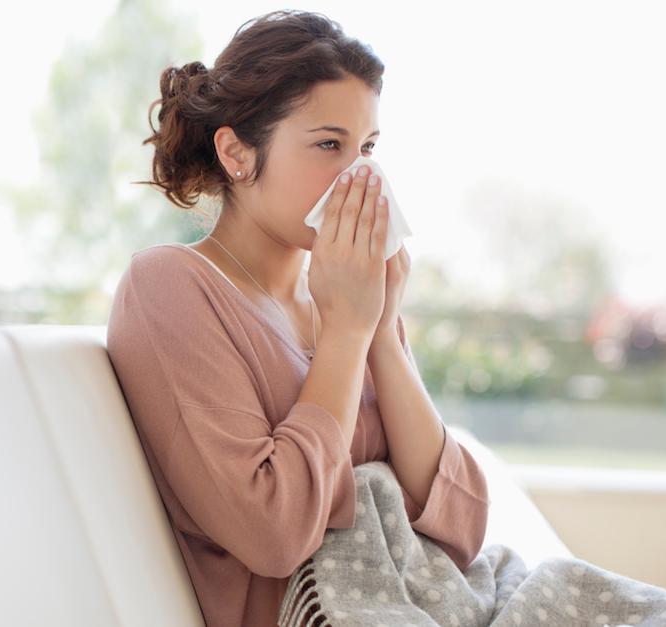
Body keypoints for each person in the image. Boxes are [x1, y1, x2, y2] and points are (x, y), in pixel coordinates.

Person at [105, 10, 490, 627]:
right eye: (328, 145)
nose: (360, 175)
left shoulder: (348, 300)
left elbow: (463, 523)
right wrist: (346, 335)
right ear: (236, 153)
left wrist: (382, 333)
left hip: (433, 601)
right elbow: (274, 533)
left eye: (367, 149)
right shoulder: (170, 287)